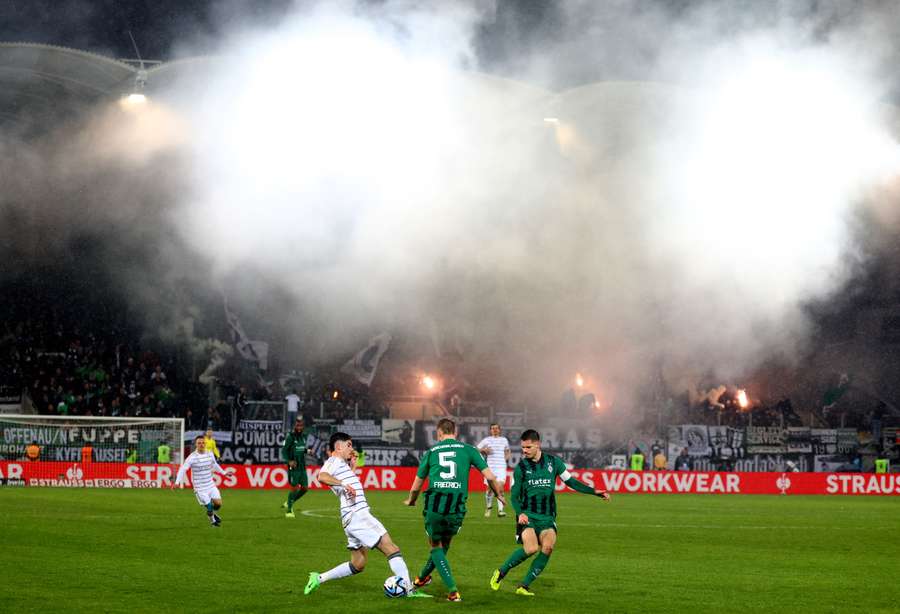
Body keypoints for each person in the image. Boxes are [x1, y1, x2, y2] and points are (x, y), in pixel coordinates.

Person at [304, 433, 431, 599]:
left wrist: (353, 468)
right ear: (338, 447)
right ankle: (409, 590)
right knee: (391, 549)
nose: (352, 449)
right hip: (358, 514)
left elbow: (344, 483)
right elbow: (322, 476)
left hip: (349, 517)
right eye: (349, 445)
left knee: (358, 563)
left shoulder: (340, 465)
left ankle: (319, 578)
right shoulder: (333, 461)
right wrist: (343, 483)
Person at [490, 429, 610, 596]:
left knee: (547, 547)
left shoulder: (554, 462)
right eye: (523, 447)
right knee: (531, 548)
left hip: (547, 517)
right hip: (528, 515)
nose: (524, 451)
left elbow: (571, 482)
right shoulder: (521, 468)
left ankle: (523, 586)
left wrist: (594, 492)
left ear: (538, 444)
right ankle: (501, 572)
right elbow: (515, 496)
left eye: (528, 447)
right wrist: (520, 513)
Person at [404, 418, 505, 602]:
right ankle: (421, 579)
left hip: (435, 505)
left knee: (435, 546)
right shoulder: (469, 450)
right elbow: (490, 475)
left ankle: (453, 592)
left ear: (439, 433)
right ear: (455, 432)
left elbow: (416, 485)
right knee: (445, 544)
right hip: (456, 507)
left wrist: (411, 500)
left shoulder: (432, 451)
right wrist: (498, 494)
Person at [172, 435, 231, 527]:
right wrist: (177, 482)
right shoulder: (192, 457)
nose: (201, 444)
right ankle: (213, 522)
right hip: (200, 488)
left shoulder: (210, 453)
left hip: (211, 485)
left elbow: (214, 465)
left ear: (205, 443)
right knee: (210, 507)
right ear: (196, 444)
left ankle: (213, 514)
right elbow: (183, 469)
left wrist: (224, 473)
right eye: (199, 443)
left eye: (203, 442)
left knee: (218, 504)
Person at [477, 423, 511, 517]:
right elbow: (476, 449)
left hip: (501, 468)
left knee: (499, 487)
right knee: (490, 489)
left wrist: (505, 458)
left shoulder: (504, 440)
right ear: (490, 430)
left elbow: (508, 451)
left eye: (496, 428)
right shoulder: (487, 440)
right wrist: (484, 450)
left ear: (499, 430)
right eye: (493, 428)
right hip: (490, 468)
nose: (495, 430)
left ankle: (500, 511)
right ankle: (488, 507)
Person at [281, 416, 310, 518]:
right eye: (297, 425)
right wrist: (289, 461)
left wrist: (307, 451)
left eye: (301, 425)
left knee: (305, 488)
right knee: (294, 488)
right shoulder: (290, 437)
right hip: (293, 467)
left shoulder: (303, 437)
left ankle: (289, 502)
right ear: (295, 426)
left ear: (303, 427)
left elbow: (300, 449)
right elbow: (284, 451)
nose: (299, 427)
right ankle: (289, 511)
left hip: (302, 467)